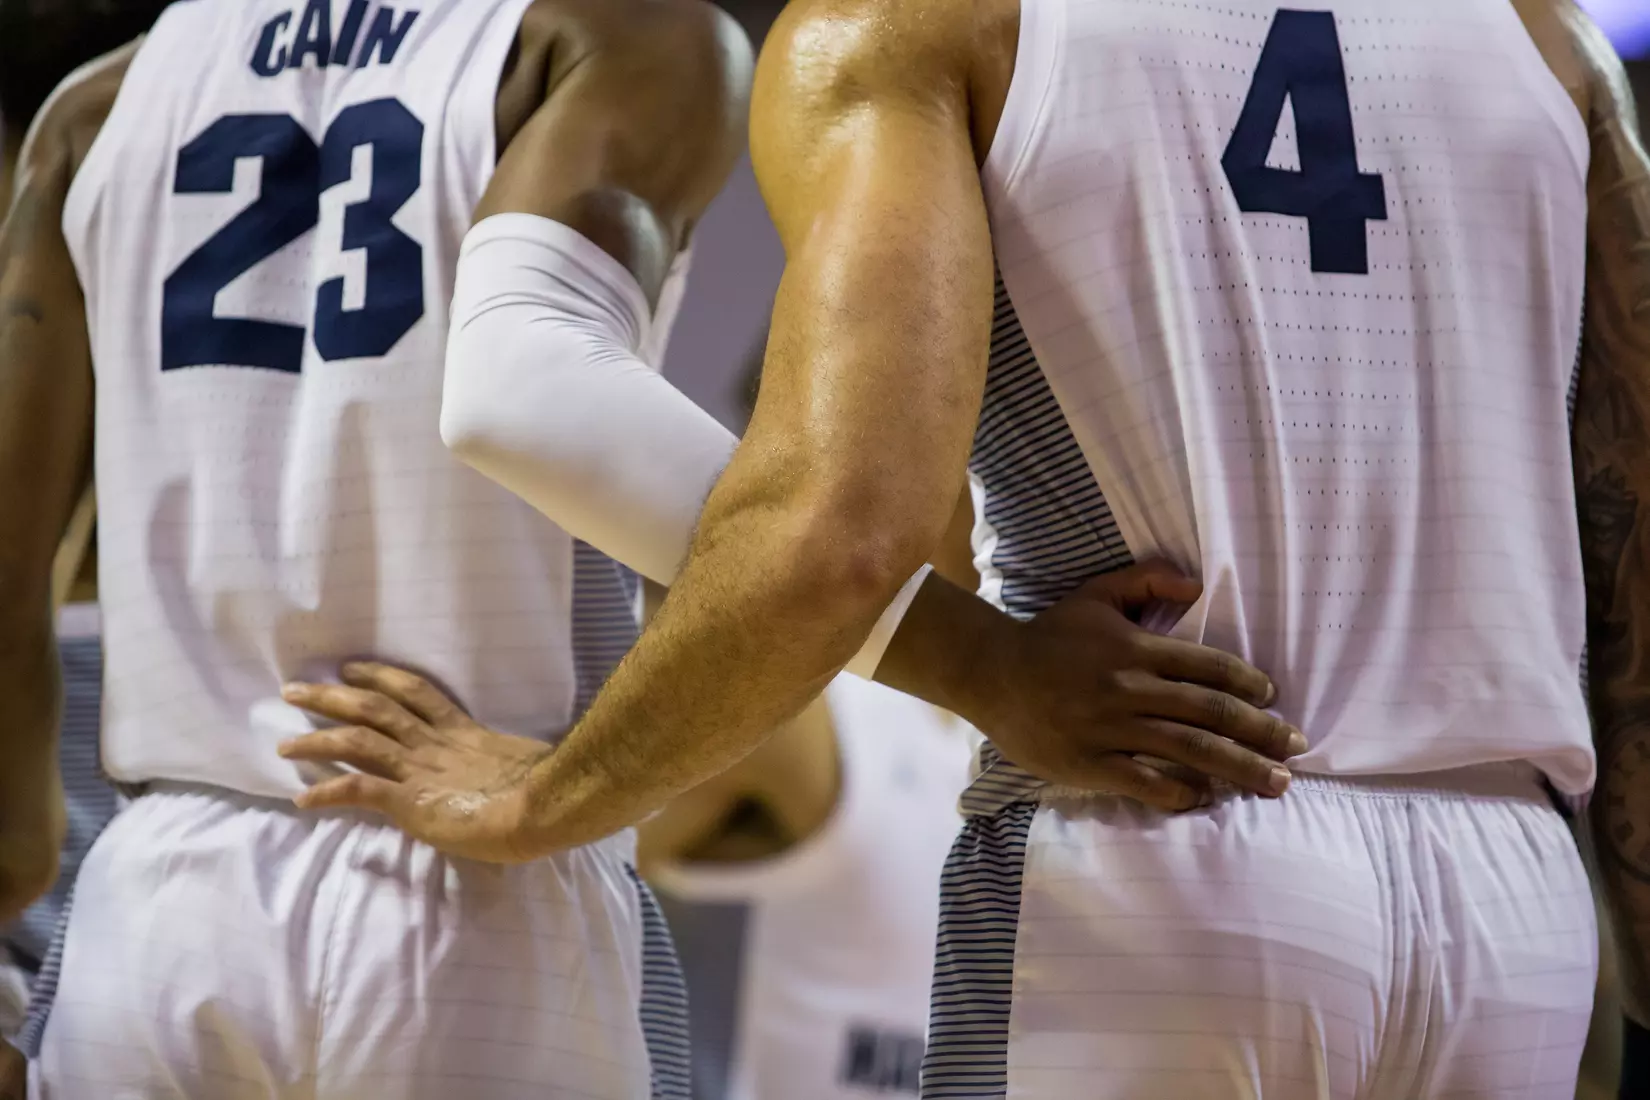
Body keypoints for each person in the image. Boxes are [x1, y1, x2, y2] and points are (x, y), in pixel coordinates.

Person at [281, 0, 1650, 1095]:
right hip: (1513, 900)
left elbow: (840, 533)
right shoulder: (1548, 43)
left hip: (1169, 841)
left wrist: (542, 803)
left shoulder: (922, 25)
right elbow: (1626, 539)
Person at [0, 0, 1309, 1096]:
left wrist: (20, 879)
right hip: (473, 878)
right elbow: (530, 394)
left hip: (157, 895)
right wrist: (991, 667)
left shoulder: (96, 109)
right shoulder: (611, 35)